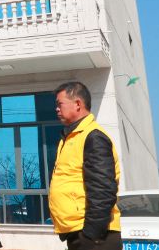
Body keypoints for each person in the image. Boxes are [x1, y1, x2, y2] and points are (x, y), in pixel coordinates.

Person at [49, 81, 121, 250]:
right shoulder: (71, 137)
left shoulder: (93, 137)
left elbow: (103, 189)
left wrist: (91, 233)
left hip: (95, 237)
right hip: (80, 232)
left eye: (60, 104)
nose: (57, 109)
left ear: (78, 104)